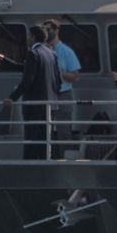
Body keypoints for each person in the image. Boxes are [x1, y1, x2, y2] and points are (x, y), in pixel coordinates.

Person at [3, 24, 62, 160]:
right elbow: (58, 81)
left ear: (33, 37)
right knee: (45, 141)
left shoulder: (33, 53)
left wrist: (12, 98)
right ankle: (45, 167)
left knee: (32, 141)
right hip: (50, 105)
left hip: (35, 106)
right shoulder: (51, 53)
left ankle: (29, 169)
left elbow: (27, 80)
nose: (27, 38)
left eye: (29, 36)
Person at [42, 19, 82, 158]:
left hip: (63, 94)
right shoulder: (41, 51)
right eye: (44, 30)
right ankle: (45, 160)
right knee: (43, 130)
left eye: (49, 29)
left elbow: (75, 76)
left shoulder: (66, 51)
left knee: (64, 131)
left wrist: (59, 73)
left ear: (56, 30)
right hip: (46, 95)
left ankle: (66, 161)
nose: (46, 32)